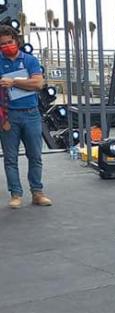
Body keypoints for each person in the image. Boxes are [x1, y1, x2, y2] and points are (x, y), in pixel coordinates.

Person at [0, 25, 52, 209]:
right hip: (8, 115)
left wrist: (14, 82)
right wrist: (2, 120)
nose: (7, 46)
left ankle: (37, 192)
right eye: (2, 44)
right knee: (10, 158)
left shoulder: (30, 60)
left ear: (17, 41)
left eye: (9, 42)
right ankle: (15, 194)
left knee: (35, 155)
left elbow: (38, 83)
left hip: (31, 114)